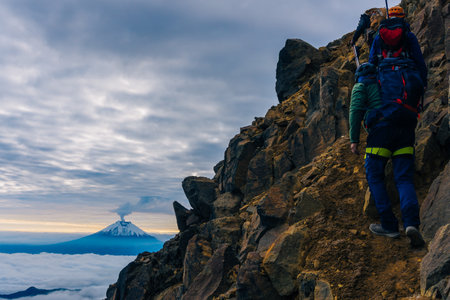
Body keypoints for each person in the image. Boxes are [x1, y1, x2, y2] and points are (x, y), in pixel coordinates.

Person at [355, 5, 427, 247]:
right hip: (407, 119)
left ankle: (388, 225)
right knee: (403, 178)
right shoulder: (410, 37)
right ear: (404, 19)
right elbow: (422, 69)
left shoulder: (377, 38)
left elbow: (370, 70)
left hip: (383, 122)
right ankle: (411, 224)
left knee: (374, 174)